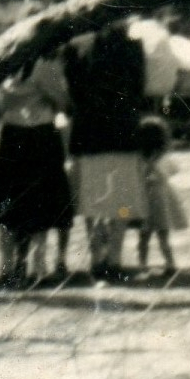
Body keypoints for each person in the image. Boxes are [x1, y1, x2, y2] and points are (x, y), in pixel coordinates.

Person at [64, 16, 149, 282]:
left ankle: (96, 257)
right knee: (121, 202)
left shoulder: (77, 49)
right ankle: (114, 257)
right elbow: (139, 88)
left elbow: (73, 92)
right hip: (123, 131)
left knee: (93, 201)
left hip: (89, 133)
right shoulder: (133, 48)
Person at [0, 48, 74, 289]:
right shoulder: (44, 66)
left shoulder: (5, 67)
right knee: (41, 201)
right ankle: (38, 266)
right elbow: (63, 101)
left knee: (10, 202)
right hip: (40, 135)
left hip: (11, 135)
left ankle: (7, 267)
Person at [131, 114, 186, 276]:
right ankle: (170, 263)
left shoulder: (138, 159)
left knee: (143, 236)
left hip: (143, 197)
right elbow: (173, 170)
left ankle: (142, 264)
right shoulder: (164, 158)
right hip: (161, 197)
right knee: (163, 235)